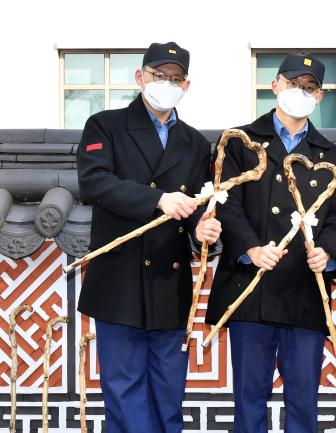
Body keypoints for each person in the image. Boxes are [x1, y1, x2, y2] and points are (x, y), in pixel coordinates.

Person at [204, 53, 336, 433]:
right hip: (248, 288)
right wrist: (251, 248)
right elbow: (225, 203)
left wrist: (331, 254)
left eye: (309, 88)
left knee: (303, 402)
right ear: (274, 86)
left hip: (304, 289)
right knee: (249, 400)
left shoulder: (332, 156)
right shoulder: (238, 143)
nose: (299, 93)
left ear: (319, 97)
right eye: (292, 84)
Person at [76, 41, 221, 433]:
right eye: (159, 76)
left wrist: (204, 229)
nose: (167, 84)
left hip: (169, 285)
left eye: (175, 79)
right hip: (118, 281)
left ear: (186, 86)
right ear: (140, 77)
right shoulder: (104, 125)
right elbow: (94, 182)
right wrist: (157, 199)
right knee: (123, 393)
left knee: (168, 392)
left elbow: (193, 205)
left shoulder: (195, 142)